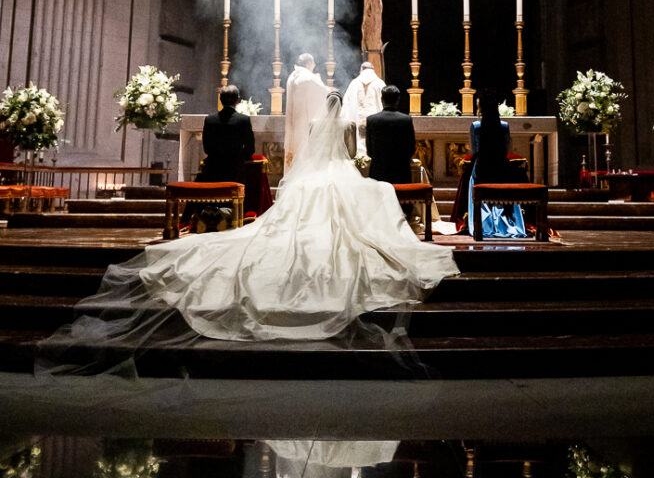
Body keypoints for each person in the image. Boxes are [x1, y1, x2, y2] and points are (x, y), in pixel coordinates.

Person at [45, 92, 458, 354]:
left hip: (314, 177)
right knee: (363, 198)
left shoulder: (316, 126)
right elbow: (350, 155)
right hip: (343, 172)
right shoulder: (351, 124)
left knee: (295, 215)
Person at [464, 90, 527, 238]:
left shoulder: (476, 126)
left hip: (482, 167)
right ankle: (506, 223)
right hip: (501, 166)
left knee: (474, 179)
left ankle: (484, 224)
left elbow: (474, 151)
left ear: (481, 109)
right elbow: (506, 148)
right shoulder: (504, 126)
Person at [284, 52, 330, 171]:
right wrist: (320, 81)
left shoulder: (292, 77)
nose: (314, 66)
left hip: (293, 125)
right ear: (309, 63)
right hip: (304, 124)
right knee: (304, 154)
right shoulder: (309, 77)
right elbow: (326, 94)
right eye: (313, 63)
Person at [199, 85, 255, 183]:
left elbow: (207, 147)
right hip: (235, 169)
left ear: (220, 99)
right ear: (237, 100)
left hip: (213, 168)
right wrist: (241, 157)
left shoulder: (210, 119)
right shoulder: (243, 120)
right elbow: (250, 148)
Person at [365, 85, 416, 184]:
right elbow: (411, 148)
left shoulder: (371, 120)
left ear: (382, 99)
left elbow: (370, 151)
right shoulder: (406, 120)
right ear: (398, 100)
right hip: (401, 171)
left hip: (379, 172)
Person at [341, 61, 385, 154]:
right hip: (375, 122)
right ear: (373, 70)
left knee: (357, 148)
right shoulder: (380, 84)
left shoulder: (354, 84)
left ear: (361, 70)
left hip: (356, 122)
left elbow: (346, 103)